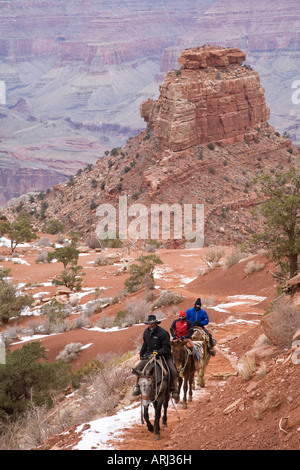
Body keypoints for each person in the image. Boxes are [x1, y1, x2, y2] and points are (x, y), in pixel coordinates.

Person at [132, 315, 179, 399]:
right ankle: (138, 386)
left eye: (152, 323)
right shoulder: (146, 332)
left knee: (173, 371)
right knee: (137, 369)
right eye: (149, 324)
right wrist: (142, 354)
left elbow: (167, 347)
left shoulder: (163, 333)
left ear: (156, 323)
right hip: (149, 355)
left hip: (163, 356)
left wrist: (158, 353)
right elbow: (145, 344)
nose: (150, 325)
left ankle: (174, 389)